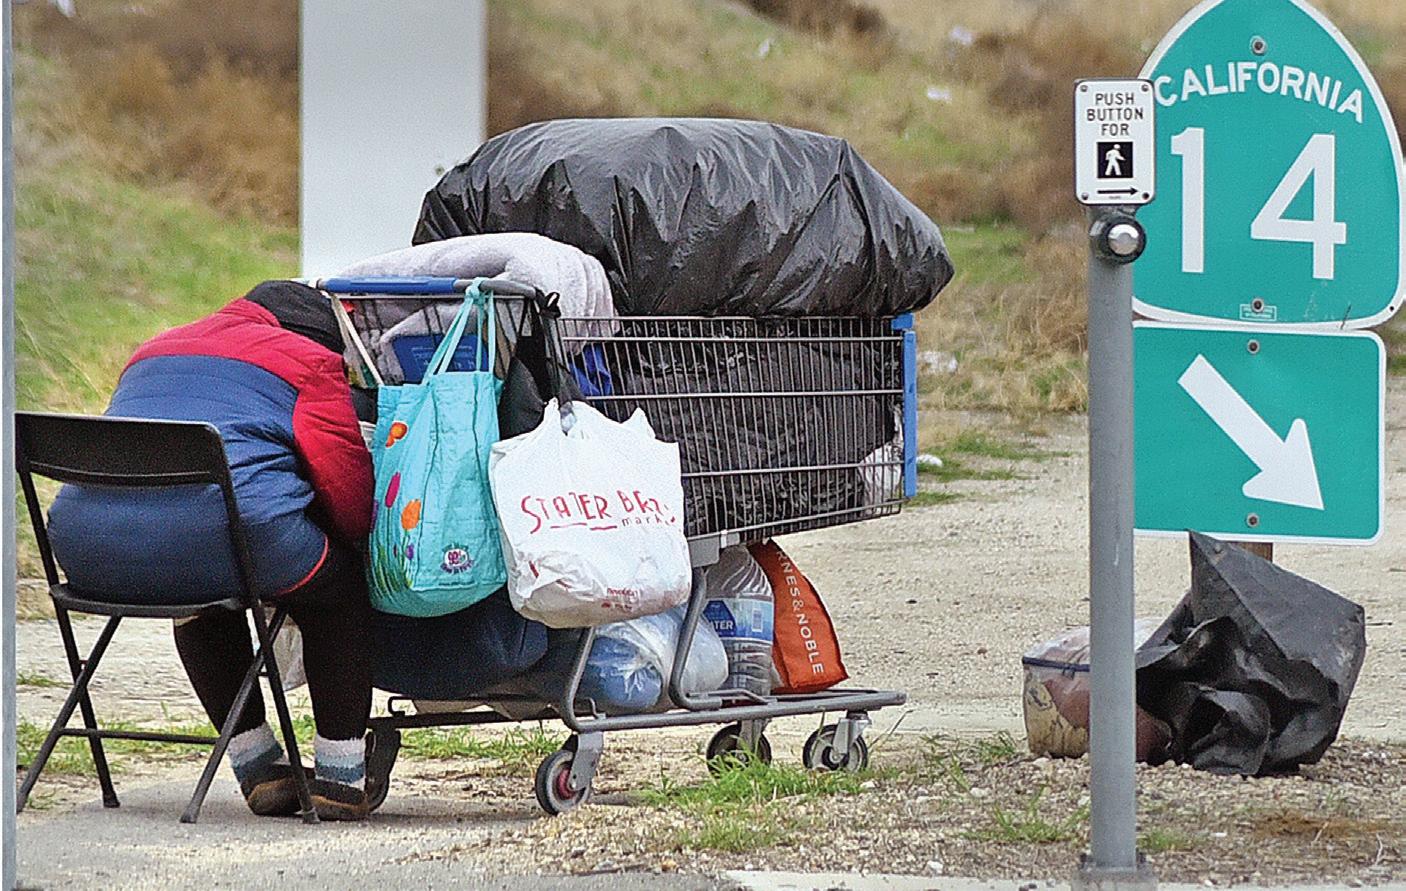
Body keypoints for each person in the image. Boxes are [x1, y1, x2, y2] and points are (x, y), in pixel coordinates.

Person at [47, 281, 376, 820]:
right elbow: (347, 490)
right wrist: (347, 537)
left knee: (194, 585)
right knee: (335, 591)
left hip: (85, 546)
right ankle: (340, 779)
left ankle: (259, 767)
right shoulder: (310, 361)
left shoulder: (153, 349)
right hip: (231, 534)